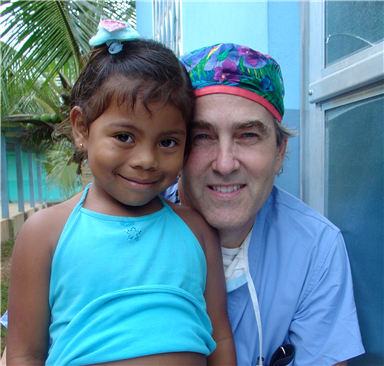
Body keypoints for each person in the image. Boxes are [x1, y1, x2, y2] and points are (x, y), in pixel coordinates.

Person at [6, 22, 236, 366]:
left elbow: (218, 333)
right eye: (124, 137)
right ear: (82, 128)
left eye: (167, 142)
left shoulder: (196, 230)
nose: (146, 160)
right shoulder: (45, 233)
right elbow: (25, 352)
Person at [163, 43, 366, 366]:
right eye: (202, 136)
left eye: (248, 135)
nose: (225, 164)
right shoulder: (124, 228)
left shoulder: (315, 248)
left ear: (280, 151)